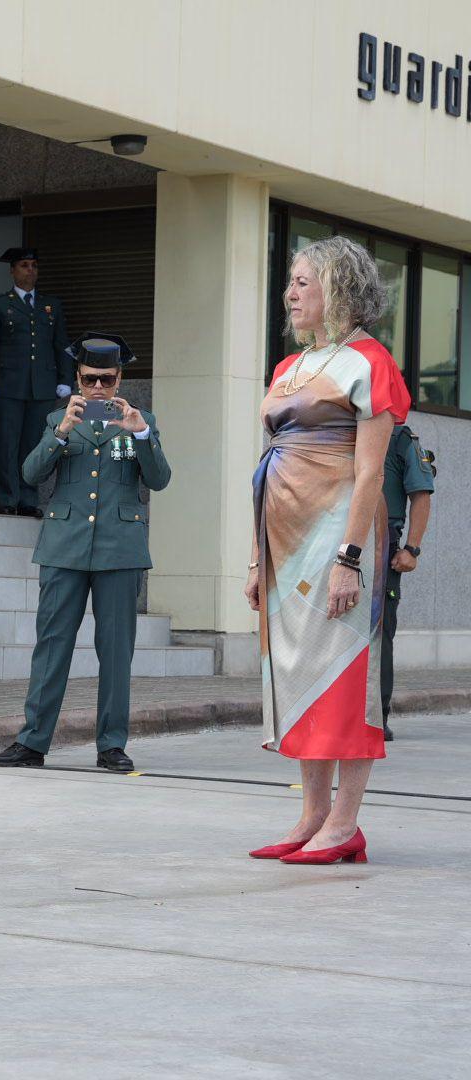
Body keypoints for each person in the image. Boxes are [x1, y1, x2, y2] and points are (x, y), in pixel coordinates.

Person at [245, 236, 411, 866]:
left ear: (339, 288)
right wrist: (258, 560)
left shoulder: (369, 362)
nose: (290, 293)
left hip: (339, 538)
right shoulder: (289, 367)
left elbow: (370, 473)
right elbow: (268, 463)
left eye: (303, 282)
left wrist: (350, 557)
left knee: (343, 678)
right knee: (296, 674)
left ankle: (344, 826)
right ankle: (311, 816)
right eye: (290, 281)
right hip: (282, 543)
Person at [0, 333, 169, 772]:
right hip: (64, 546)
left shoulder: (140, 422)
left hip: (120, 550)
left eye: (107, 380)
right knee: (51, 646)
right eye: (90, 380)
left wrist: (141, 432)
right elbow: (31, 473)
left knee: (115, 650)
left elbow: (160, 479)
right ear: (77, 378)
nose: (97, 389)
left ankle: (111, 745)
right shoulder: (56, 419)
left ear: (119, 379)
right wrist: (62, 431)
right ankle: (33, 742)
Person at [0, 247, 73, 517]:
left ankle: (28, 499)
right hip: (8, 386)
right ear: (12, 271)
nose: (30, 270)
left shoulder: (51, 305)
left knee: (35, 443)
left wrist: (65, 378)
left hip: (42, 386)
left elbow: (61, 344)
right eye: (24, 265)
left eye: (33, 265)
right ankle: (7, 497)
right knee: (8, 443)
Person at [379, 425, 435, 740]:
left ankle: (376, 715)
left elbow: (421, 493)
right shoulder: (340, 428)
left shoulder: (400, 439)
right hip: (336, 542)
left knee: (379, 633)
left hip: (383, 543)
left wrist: (411, 548)